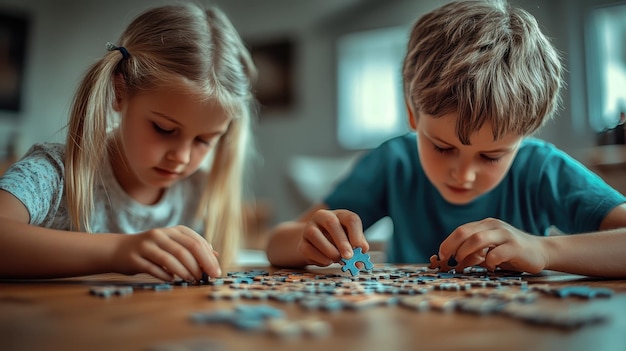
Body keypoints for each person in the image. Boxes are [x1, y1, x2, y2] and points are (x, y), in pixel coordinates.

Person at [266, 0, 626, 278]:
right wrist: (306, 240)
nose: (463, 174)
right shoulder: (395, 162)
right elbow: (277, 242)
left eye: (491, 156)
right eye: (442, 147)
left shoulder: (542, 168)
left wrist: (546, 251)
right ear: (412, 114)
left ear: (525, 133)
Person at [0, 3, 257, 281]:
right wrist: (119, 250)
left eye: (204, 141)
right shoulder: (53, 173)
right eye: (164, 128)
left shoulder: (196, 194)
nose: (182, 157)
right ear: (120, 92)